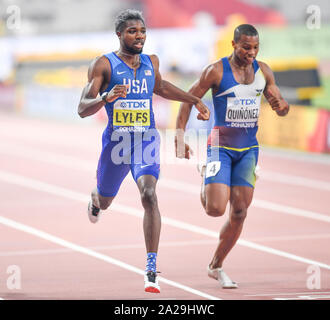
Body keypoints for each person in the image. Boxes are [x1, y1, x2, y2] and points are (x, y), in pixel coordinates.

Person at [77, 9, 209, 294]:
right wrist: (104, 97)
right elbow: (82, 108)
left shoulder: (151, 61)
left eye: (142, 31)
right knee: (106, 198)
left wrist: (194, 98)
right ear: (119, 34)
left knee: (149, 195)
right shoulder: (103, 65)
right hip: (117, 144)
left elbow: (160, 87)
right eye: (132, 31)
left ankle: (151, 268)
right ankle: (96, 201)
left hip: (146, 140)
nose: (139, 36)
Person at [175, 24, 289, 288]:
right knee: (214, 209)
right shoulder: (215, 71)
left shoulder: (264, 71)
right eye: (246, 47)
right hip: (220, 147)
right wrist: (180, 136)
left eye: (255, 48)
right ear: (234, 45)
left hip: (248, 150)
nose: (251, 53)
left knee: (239, 211)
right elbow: (187, 99)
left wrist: (282, 107)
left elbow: (281, 106)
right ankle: (207, 174)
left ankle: (216, 265)